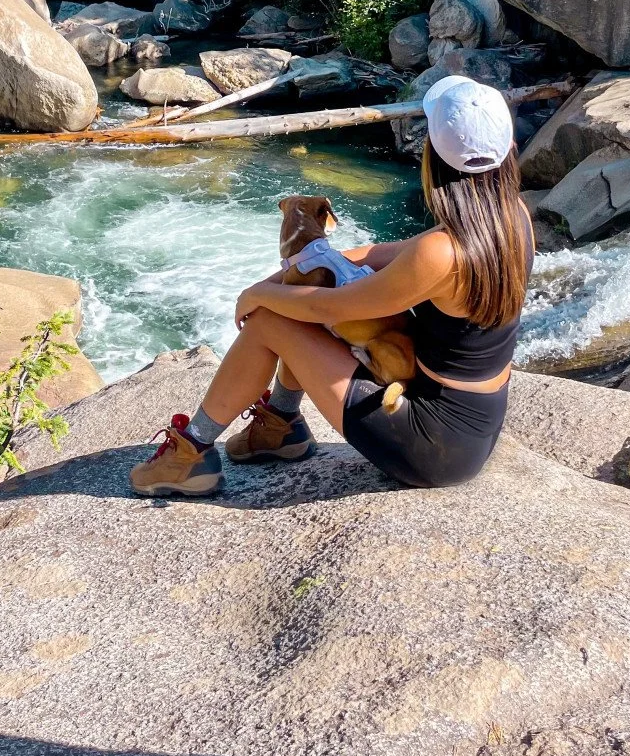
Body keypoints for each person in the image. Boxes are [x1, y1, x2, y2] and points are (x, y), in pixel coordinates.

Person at [129, 75, 534, 495]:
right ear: (507, 148)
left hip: (428, 441)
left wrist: (257, 294)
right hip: (473, 427)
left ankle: (190, 454)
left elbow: (331, 307)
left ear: (432, 155)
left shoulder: (441, 252)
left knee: (270, 320)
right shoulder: (509, 218)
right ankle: (280, 428)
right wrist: (301, 266)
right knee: (289, 309)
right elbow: (378, 254)